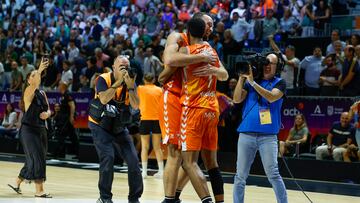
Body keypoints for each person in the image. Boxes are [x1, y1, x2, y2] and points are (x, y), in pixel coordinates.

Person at [158, 13, 223, 203]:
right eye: (208, 24)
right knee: (175, 151)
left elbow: (224, 72)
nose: (211, 28)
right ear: (197, 24)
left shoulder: (207, 47)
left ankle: (175, 195)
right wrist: (200, 57)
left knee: (191, 156)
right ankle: (169, 198)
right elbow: (169, 62)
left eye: (212, 25)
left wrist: (212, 68)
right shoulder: (177, 37)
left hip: (194, 102)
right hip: (175, 96)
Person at [176, 17, 228, 203]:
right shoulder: (211, 51)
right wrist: (211, 68)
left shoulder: (185, 50)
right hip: (211, 109)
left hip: (194, 108)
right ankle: (175, 196)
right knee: (210, 163)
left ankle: (205, 200)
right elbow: (225, 75)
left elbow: (169, 61)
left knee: (189, 163)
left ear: (188, 31)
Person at [233, 53, 288, 203]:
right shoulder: (251, 82)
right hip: (246, 134)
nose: (267, 65)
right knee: (240, 176)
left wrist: (252, 83)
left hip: (268, 137)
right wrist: (242, 77)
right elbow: (236, 99)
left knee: (273, 174)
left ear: (278, 67)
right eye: (265, 62)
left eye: (272, 63)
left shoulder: (280, 82)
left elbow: (271, 97)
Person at [88, 55, 143, 203]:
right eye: (121, 67)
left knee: (133, 161)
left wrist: (130, 86)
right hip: (100, 125)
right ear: (113, 67)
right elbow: (104, 99)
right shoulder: (103, 79)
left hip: (118, 127)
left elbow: (136, 105)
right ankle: (105, 198)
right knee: (108, 157)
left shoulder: (131, 82)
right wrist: (119, 82)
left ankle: (134, 198)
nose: (125, 70)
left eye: (127, 66)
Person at [8, 58, 52, 198]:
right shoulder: (28, 91)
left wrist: (47, 114)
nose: (36, 76)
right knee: (37, 158)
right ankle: (39, 191)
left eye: (36, 74)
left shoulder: (42, 93)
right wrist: (39, 70)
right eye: (32, 75)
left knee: (34, 159)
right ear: (28, 81)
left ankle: (17, 182)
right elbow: (34, 84)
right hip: (28, 130)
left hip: (41, 130)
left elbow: (49, 110)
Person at [137, 73, 164, 179]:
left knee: (144, 147)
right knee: (157, 147)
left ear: (144, 79)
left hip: (145, 120)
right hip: (157, 120)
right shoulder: (160, 90)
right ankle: (161, 171)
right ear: (154, 80)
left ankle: (144, 172)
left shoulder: (140, 89)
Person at [52, 82, 78, 158]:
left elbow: (72, 106)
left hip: (66, 120)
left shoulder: (67, 94)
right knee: (73, 137)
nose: (58, 86)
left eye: (59, 85)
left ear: (63, 86)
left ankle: (58, 153)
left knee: (62, 135)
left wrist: (71, 117)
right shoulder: (63, 96)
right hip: (64, 119)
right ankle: (76, 153)